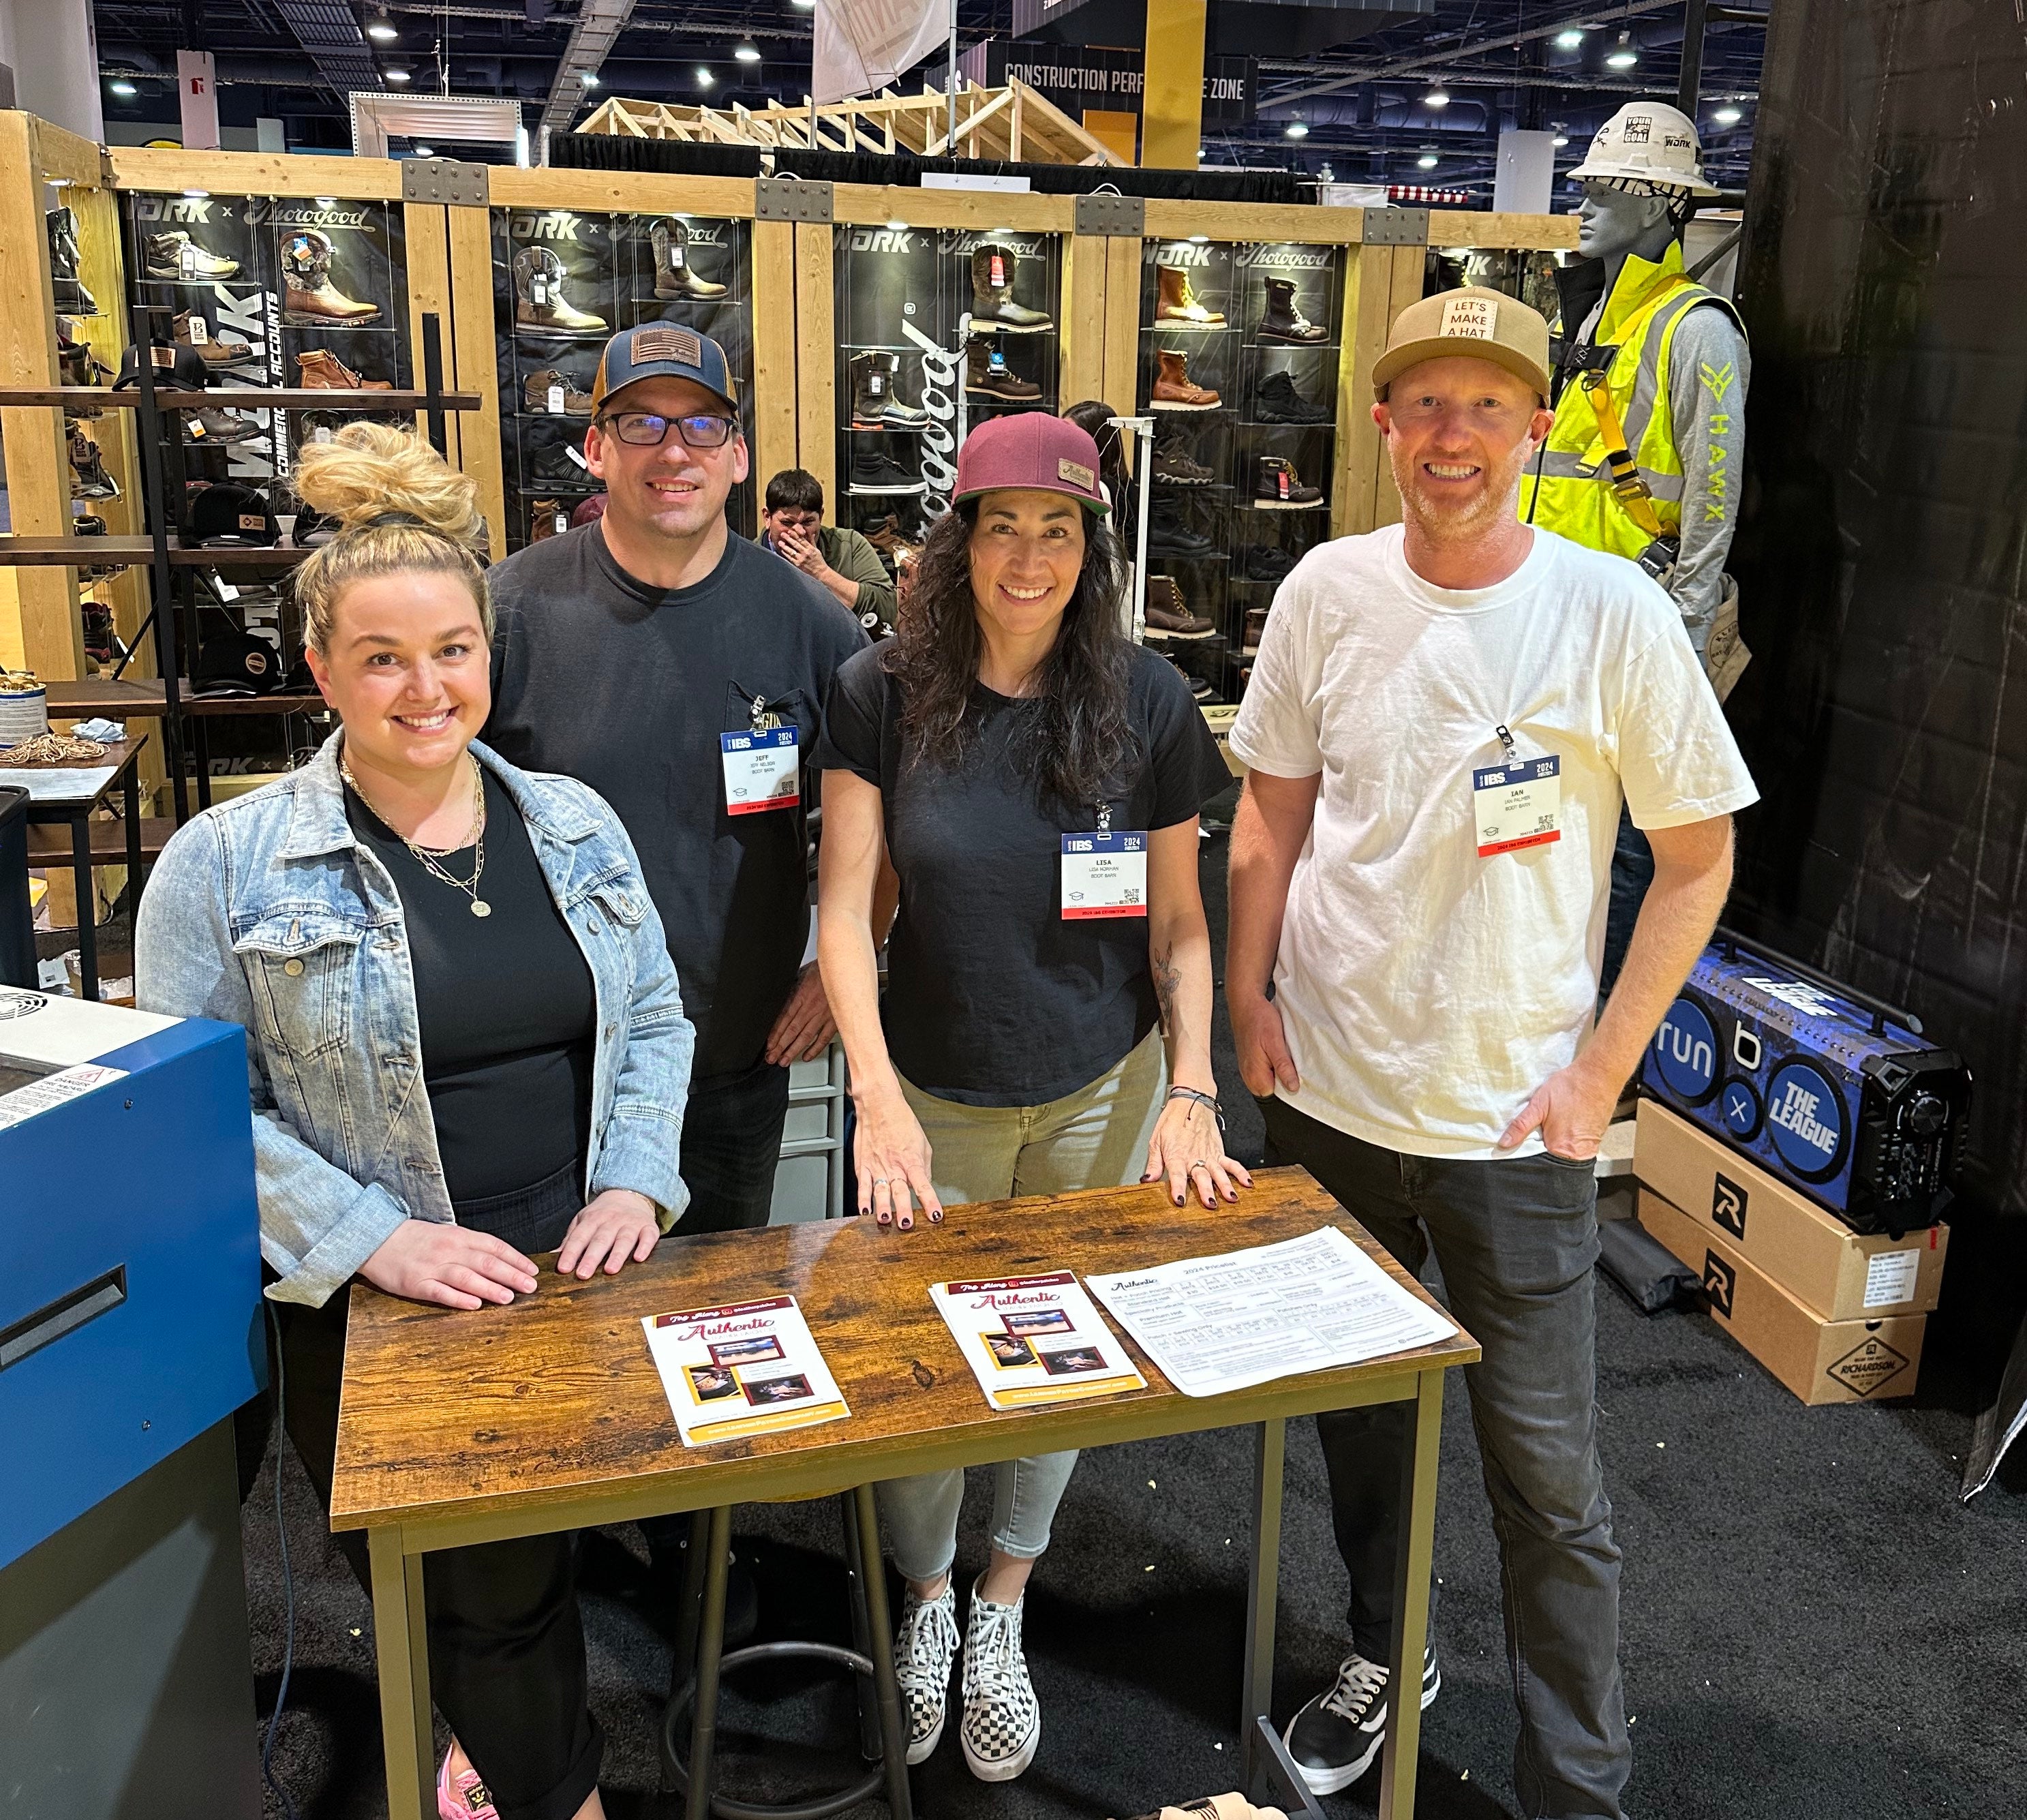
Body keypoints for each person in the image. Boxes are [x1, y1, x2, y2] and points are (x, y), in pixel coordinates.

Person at [1225, 290, 1757, 1813]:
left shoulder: (1610, 611)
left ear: (1535, 428)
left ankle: (1571, 1782)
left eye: (1483, 409)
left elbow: (1696, 859)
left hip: (1512, 1125)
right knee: (1359, 1430)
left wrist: (1598, 1077)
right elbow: (1269, 810)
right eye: (1423, 406)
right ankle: (1383, 1657)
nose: (1449, 439)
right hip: (1326, 1097)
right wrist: (1247, 997)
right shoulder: (1324, 590)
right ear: (1382, 423)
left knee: (1546, 1486)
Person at [135, 424, 694, 1820]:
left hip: (568, 1267)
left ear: (488, 658)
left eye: (452, 649)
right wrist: (382, 1241)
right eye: (381, 657)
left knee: (530, 1560)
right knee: (486, 1593)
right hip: (379, 1297)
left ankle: (478, 1744)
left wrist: (632, 1183)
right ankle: (556, 1792)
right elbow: (200, 1106)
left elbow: (656, 1024)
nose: (424, 687)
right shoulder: (227, 864)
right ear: (318, 670)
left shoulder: (570, 821)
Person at [815, 411, 1245, 1784]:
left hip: (1095, 1090)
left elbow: (1178, 928)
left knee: (1056, 1352)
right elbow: (841, 915)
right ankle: (927, 1595)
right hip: (927, 1091)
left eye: (1055, 529)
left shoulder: (1152, 704)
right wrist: (872, 1098)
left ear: (1088, 547)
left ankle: (1003, 1596)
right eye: (999, 524)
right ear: (956, 538)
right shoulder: (877, 690)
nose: (1026, 554)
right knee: (924, 1370)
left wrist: (1191, 1086)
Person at [485, 326, 868, 1236]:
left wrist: (838, 972)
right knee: (559, 1350)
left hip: (735, 1054)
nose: (672, 452)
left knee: (720, 1332)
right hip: (553, 1067)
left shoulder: (814, 626)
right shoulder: (507, 611)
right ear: (594, 448)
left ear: (737, 457)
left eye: (700, 428)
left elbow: (878, 818)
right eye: (641, 425)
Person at [1517, 102, 1751, 993]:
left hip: (1635, 631)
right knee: (1552, 824)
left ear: (1659, 204)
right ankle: (1548, 998)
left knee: (1621, 850)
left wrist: (1679, 649)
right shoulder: (1594, 325)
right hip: (1556, 616)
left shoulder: (1696, 331)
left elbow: (1712, 504)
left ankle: (1600, 1032)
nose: (1582, 206)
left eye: (1604, 189)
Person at [758, 466, 898, 637]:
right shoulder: (749, 560)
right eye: (787, 523)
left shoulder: (849, 545)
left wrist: (821, 573)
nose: (799, 532)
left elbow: (890, 607)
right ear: (767, 518)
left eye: (808, 522)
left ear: (821, 516)